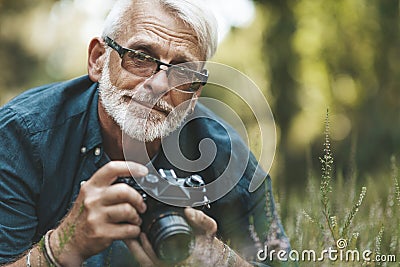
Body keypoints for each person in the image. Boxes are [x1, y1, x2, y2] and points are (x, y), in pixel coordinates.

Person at [0, 0, 290, 266]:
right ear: (98, 59)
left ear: (196, 93)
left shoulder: (227, 158)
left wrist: (218, 259)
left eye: (183, 72)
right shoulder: (24, 135)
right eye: (140, 57)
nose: (159, 86)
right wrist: (63, 247)